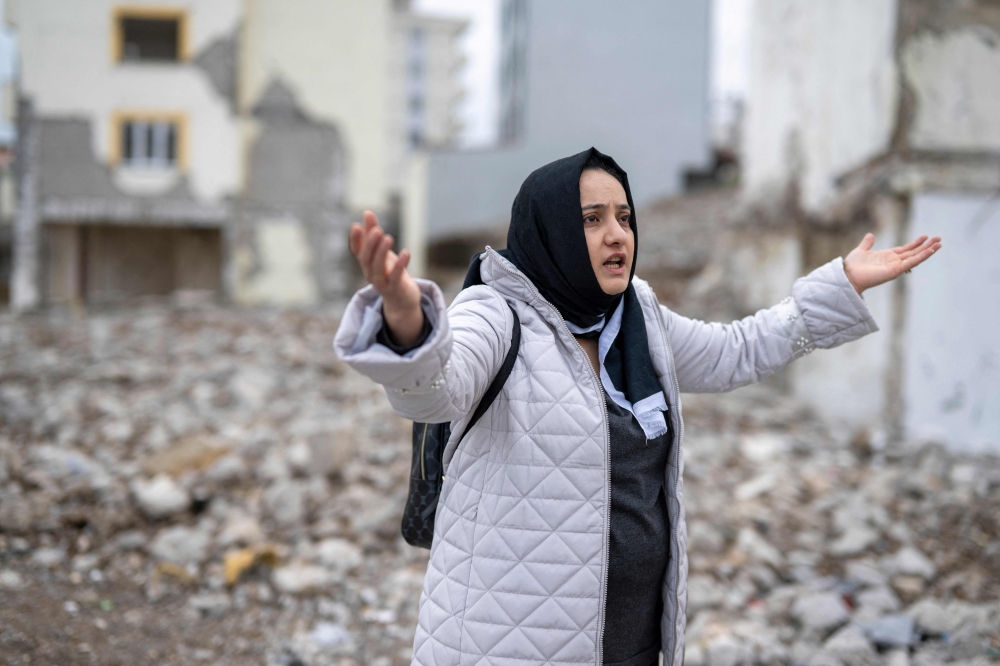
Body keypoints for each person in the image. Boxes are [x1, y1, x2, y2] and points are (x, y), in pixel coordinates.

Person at [333, 148, 941, 666]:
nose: (617, 234)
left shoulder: (636, 316)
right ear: (551, 231)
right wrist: (406, 318)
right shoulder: (495, 313)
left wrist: (842, 284)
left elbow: (735, 352)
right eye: (592, 219)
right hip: (509, 640)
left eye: (624, 216)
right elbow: (437, 388)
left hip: (630, 638)